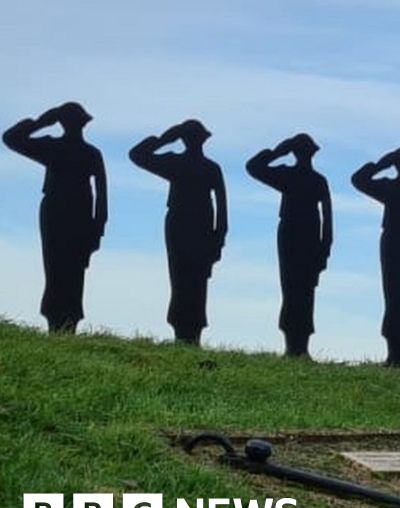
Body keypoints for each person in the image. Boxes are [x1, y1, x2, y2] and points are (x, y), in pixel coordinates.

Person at [3, 102, 107, 334]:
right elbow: (11, 139)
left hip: (71, 216)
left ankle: (66, 320)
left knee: (66, 269)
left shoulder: (78, 152)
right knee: (58, 268)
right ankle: (57, 319)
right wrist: (41, 122)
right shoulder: (66, 150)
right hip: (60, 214)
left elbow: (102, 195)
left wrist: (41, 122)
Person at [129, 119, 228, 345]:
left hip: (197, 228)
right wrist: (166, 138)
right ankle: (183, 331)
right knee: (182, 278)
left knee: (193, 280)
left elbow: (222, 208)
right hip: (181, 226)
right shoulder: (184, 164)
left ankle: (191, 332)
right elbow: (137, 156)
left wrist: (218, 237)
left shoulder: (205, 167)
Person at [246, 134, 333, 358]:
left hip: (303, 236)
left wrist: (278, 152)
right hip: (295, 235)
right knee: (295, 288)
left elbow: (327, 218)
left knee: (299, 289)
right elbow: (253, 167)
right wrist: (278, 151)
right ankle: (294, 345)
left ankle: (299, 345)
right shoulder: (306, 178)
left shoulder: (305, 178)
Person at [351, 147, 400, 368]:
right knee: (396, 296)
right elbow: (358, 180)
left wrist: (380, 164)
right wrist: (382, 163)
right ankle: (395, 353)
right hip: (395, 245)